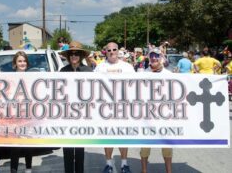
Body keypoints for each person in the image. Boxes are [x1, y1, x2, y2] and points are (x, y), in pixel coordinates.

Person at [94, 42, 135, 173]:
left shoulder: (128, 67)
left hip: (123, 108)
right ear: (105, 52)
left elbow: (136, 86)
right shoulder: (100, 67)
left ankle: (124, 164)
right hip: (106, 109)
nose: (112, 52)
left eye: (114, 49)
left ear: (118, 51)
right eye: (109, 50)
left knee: (123, 137)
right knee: (108, 136)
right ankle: (109, 164)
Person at [59, 41, 92, 173]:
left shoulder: (88, 71)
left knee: (79, 151)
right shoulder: (62, 71)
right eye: (71, 54)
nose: (74, 56)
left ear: (81, 56)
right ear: (68, 56)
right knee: (67, 151)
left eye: (77, 53)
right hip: (66, 116)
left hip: (82, 117)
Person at [140, 47, 173, 173]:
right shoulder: (142, 74)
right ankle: (144, 170)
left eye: (157, 56)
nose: (154, 58)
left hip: (164, 116)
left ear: (162, 58)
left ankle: (169, 171)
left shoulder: (169, 75)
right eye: (152, 55)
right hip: (146, 116)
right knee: (145, 146)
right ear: (149, 57)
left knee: (167, 146)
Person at [10, 51, 33, 173]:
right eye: (19, 61)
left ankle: (28, 168)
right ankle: (13, 170)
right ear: (15, 63)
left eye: (24, 61)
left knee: (28, 144)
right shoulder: (9, 78)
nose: (22, 63)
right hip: (13, 116)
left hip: (28, 115)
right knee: (15, 146)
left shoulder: (33, 78)